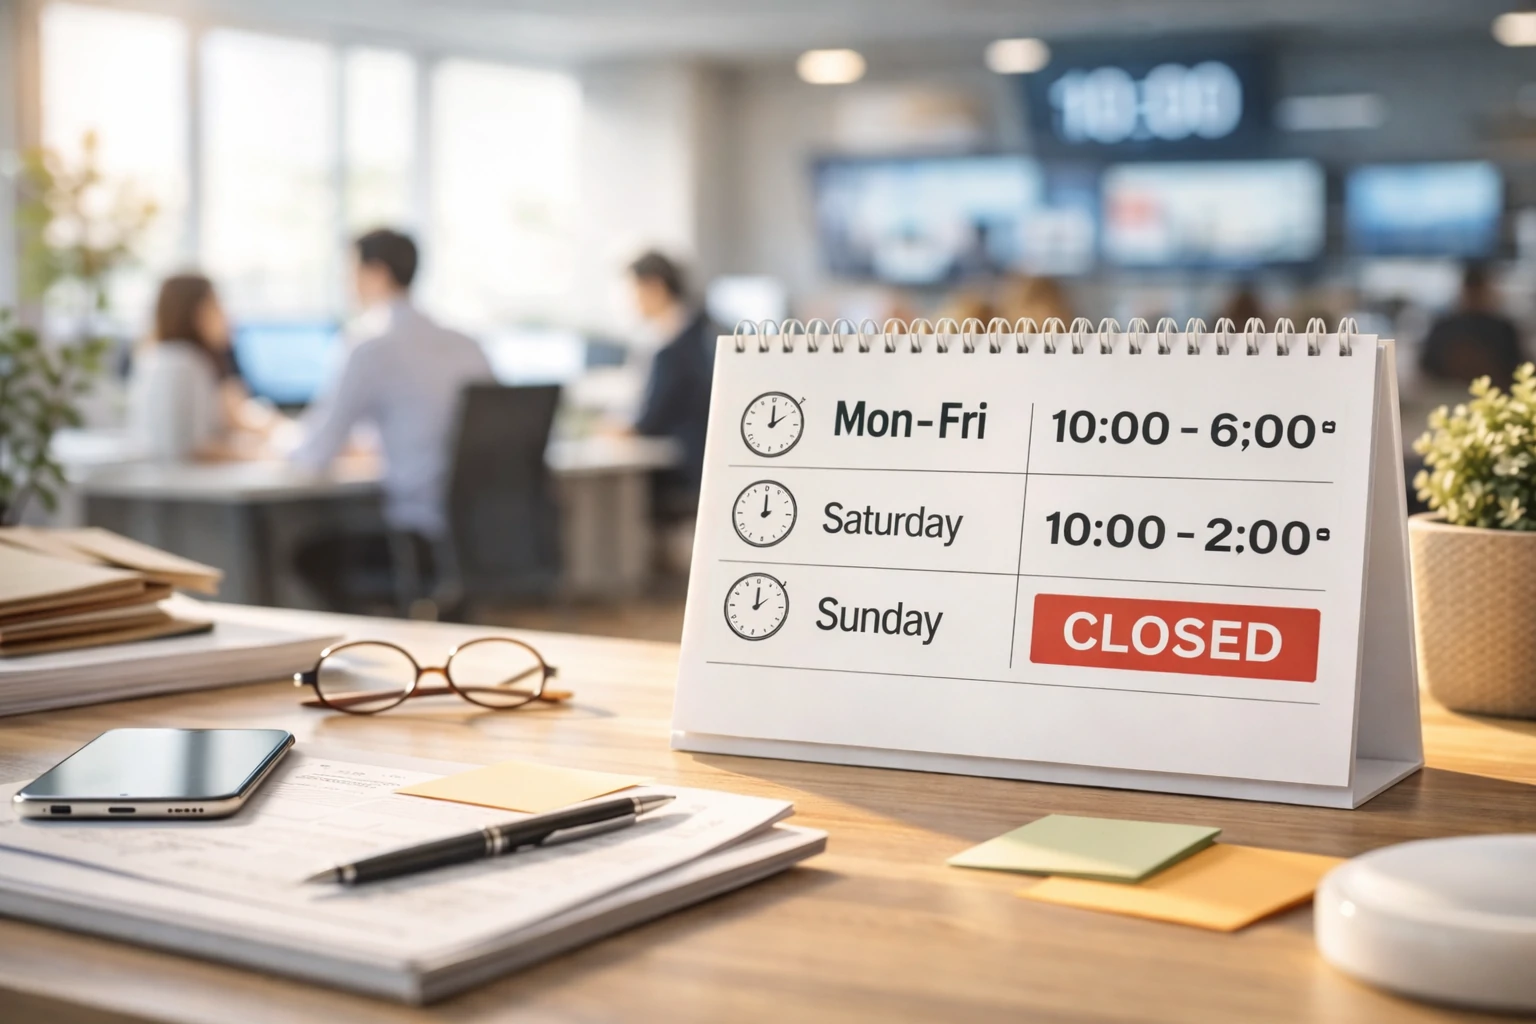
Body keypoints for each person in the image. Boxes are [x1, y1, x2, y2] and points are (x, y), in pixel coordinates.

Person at [290, 229, 493, 610]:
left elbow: (314, 453)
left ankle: (374, 653)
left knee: (308, 554)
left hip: (416, 535)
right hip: (480, 530)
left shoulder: (371, 344)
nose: (345, 283)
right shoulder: (468, 344)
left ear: (377, 273)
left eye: (349, 271)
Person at [128, 273, 272, 462]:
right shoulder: (184, 363)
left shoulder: (159, 356)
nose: (226, 315)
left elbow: (230, 418)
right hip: (187, 484)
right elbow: (191, 448)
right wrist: (261, 454)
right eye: (217, 306)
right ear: (195, 312)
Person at [627, 251, 717, 520]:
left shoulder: (674, 347)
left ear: (654, 287)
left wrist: (616, 429)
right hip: (702, 461)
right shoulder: (700, 329)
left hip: (685, 466)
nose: (632, 302)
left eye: (634, 291)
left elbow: (648, 420)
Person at [1420, 263, 1524, 390]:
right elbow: (1427, 368)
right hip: (1450, 395)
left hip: (1493, 395)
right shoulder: (1444, 327)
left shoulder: (1503, 329)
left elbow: (1518, 370)